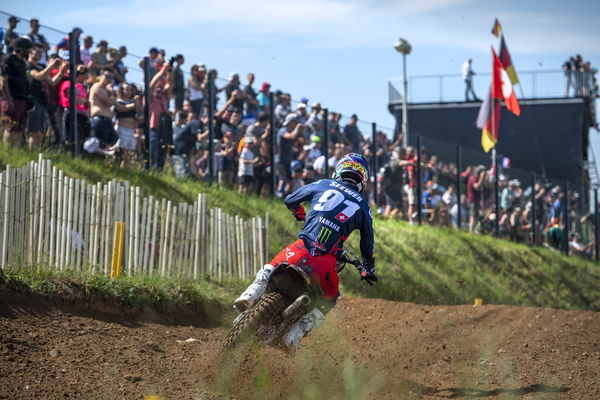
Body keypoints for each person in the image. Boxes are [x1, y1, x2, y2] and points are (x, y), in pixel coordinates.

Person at [233, 153, 377, 349]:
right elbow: (367, 242)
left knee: (272, 266)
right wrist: (367, 268)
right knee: (331, 298)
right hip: (324, 263)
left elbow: (291, 199)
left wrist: (299, 212)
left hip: (300, 249)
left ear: (339, 170)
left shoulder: (323, 184)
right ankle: (295, 334)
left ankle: (251, 293)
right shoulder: (362, 205)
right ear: (363, 179)